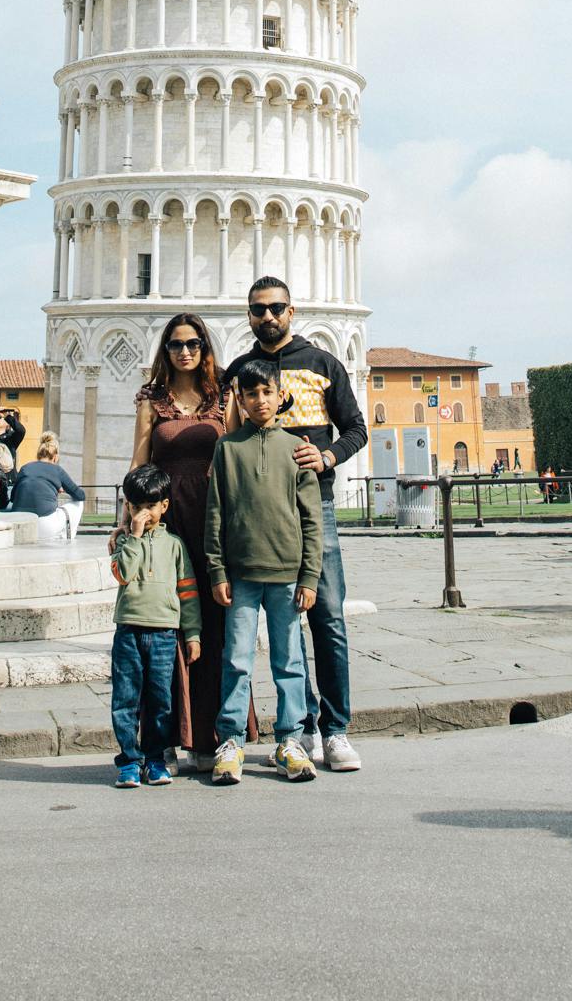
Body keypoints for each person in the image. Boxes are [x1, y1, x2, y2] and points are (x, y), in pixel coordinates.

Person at [222, 276, 367, 774]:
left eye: (277, 307)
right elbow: (227, 434)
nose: (268, 316)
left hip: (314, 509)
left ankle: (336, 730)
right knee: (283, 628)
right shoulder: (239, 371)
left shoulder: (323, 363)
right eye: (259, 309)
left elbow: (357, 429)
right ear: (248, 315)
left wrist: (327, 457)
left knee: (326, 616)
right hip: (257, 516)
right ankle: (298, 730)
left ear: (292, 310)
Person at [126, 311, 252, 770]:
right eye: (176, 344)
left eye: (193, 344)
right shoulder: (151, 400)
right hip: (166, 521)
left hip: (214, 518)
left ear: (205, 348)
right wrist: (131, 518)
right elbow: (140, 463)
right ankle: (163, 739)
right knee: (166, 626)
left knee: (217, 624)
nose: (184, 351)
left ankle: (212, 736)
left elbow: (239, 454)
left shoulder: (223, 397)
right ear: (166, 350)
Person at [206, 355, 323, 785]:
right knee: (236, 659)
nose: (259, 400)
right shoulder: (227, 448)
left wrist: (309, 577)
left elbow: (311, 520)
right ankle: (232, 739)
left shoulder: (296, 449)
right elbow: (215, 513)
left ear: (280, 396)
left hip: (286, 575)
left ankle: (290, 739)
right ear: (240, 397)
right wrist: (217, 570)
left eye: (266, 392)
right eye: (250, 393)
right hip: (240, 575)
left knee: (289, 659)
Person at [109, 463, 203, 788]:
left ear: (164, 506)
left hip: (164, 631)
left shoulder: (174, 545)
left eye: (150, 506)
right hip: (128, 631)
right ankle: (129, 761)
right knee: (125, 699)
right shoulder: (122, 542)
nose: (143, 513)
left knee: (160, 699)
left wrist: (192, 634)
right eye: (136, 506)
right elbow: (123, 573)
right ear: (127, 506)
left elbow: (188, 592)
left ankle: (155, 758)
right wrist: (132, 536)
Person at [8, 433, 84, 546]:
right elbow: (80, 495)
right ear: (55, 457)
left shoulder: (25, 468)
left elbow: (13, 498)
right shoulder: (57, 470)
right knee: (79, 503)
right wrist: (61, 489)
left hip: (20, 524)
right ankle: (67, 537)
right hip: (45, 526)